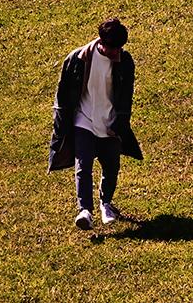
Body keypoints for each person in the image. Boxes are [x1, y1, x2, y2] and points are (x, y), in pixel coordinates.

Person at [50, 18, 143, 229]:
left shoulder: (125, 62)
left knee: (112, 166)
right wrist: (62, 124)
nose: (116, 52)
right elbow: (63, 94)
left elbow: (126, 95)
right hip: (84, 120)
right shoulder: (77, 59)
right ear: (102, 42)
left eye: (119, 48)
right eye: (112, 48)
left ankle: (106, 203)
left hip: (110, 122)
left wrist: (122, 121)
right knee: (83, 164)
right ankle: (85, 210)